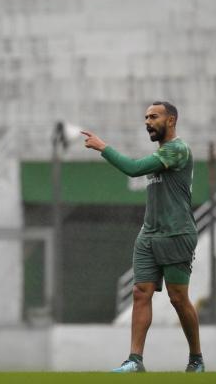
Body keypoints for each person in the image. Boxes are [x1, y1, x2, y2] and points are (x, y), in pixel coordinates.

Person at [82, 101, 204, 373]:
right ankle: (134, 360)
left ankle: (196, 359)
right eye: (146, 117)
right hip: (149, 234)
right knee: (140, 292)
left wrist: (104, 147)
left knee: (178, 299)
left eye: (154, 116)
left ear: (171, 120)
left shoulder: (177, 150)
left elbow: (134, 168)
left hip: (177, 233)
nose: (148, 121)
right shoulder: (162, 153)